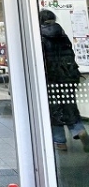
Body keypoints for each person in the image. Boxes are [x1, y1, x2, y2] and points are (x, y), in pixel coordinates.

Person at [39, 9, 89, 152]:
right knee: (69, 106)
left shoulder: (40, 36)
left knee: (54, 110)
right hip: (67, 76)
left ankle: (60, 141)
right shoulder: (62, 34)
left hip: (51, 78)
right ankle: (79, 130)